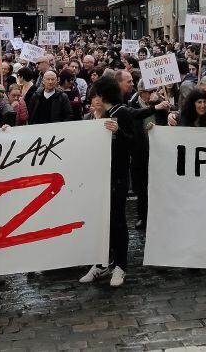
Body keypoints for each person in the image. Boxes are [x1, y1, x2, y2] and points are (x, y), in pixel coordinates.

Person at [79, 76, 133, 288]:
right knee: (99, 220)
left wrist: (118, 132)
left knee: (117, 220)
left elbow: (133, 142)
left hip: (117, 175)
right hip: (97, 174)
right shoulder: (93, 116)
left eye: (99, 95)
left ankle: (120, 265)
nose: (95, 99)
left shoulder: (122, 113)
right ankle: (101, 263)